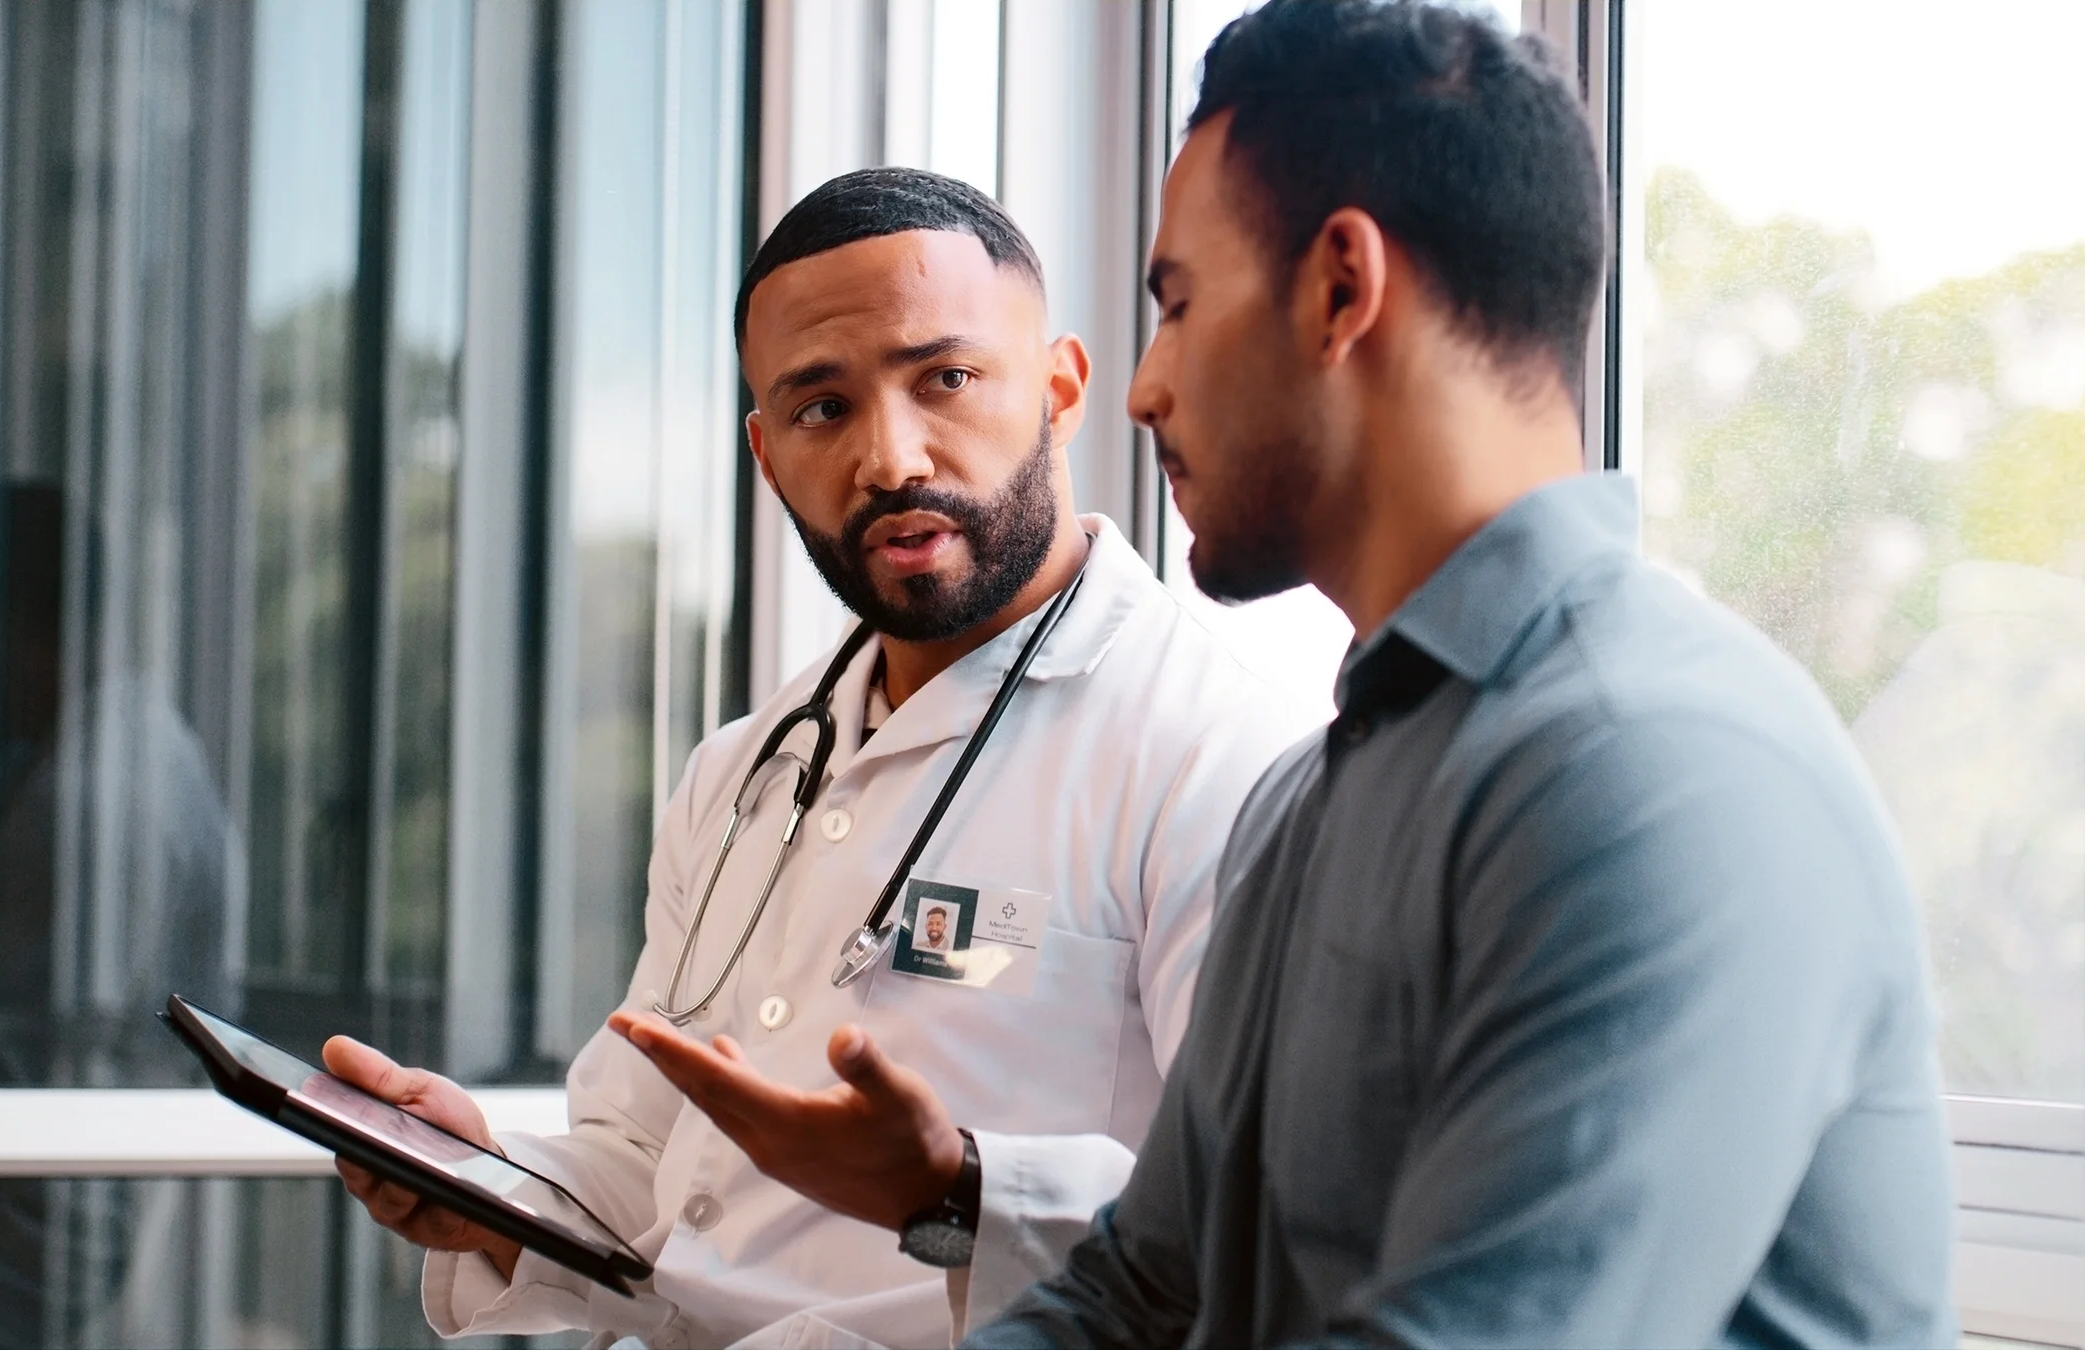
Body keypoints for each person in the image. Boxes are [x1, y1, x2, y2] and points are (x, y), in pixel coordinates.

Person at [651, 4, 1957, 1345]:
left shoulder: (1661, 771)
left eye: (1176, 303)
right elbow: (1135, 1291)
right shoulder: (1311, 802)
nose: (1142, 388)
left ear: (1341, 287)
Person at [324, 167, 1302, 1349]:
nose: (891, 458)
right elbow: (648, 1169)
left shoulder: (1217, 756)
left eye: (945, 378)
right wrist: (488, 1189)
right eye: (821, 407)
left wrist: (954, 1191)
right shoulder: (740, 776)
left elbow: (1267, 1223)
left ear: (1060, 388)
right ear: (767, 451)